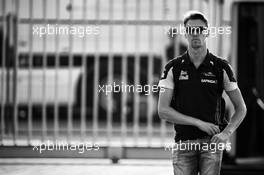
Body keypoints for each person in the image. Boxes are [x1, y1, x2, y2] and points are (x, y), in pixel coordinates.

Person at [158, 11, 247, 175]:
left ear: (207, 32)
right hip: (183, 143)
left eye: (200, 29)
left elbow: (241, 108)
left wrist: (226, 133)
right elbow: (163, 111)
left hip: (211, 144)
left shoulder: (221, 67)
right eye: (190, 30)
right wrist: (199, 123)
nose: (195, 34)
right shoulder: (173, 68)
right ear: (186, 34)